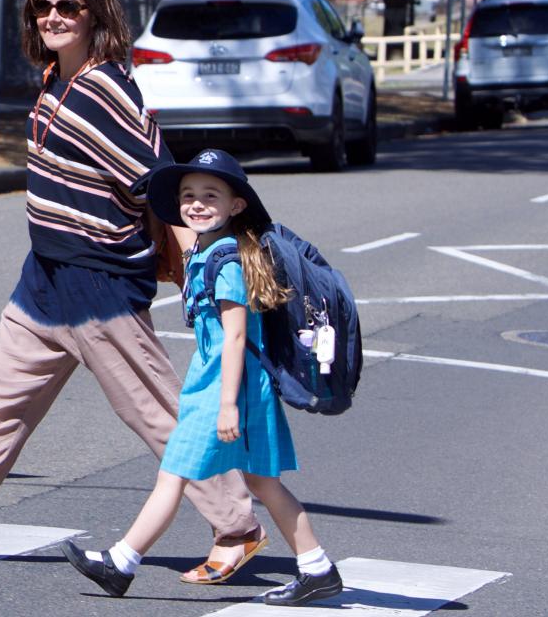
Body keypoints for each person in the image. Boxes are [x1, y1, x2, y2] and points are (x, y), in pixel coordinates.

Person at [0, 0, 263, 578]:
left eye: (68, 7)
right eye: (43, 6)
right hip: (46, 277)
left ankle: (237, 527)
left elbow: (158, 183)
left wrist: (203, 259)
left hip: (99, 282)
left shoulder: (106, 89)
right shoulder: (57, 78)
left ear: (94, 16)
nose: (53, 17)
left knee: (157, 413)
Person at [62, 149, 342, 607]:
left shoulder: (227, 263)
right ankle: (317, 568)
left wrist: (228, 403)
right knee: (262, 483)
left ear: (236, 205)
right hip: (220, 386)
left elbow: (235, 339)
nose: (196, 203)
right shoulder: (208, 251)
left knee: (173, 475)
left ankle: (120, 563)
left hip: (225, 389)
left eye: (210, 195)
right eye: (188, 195)